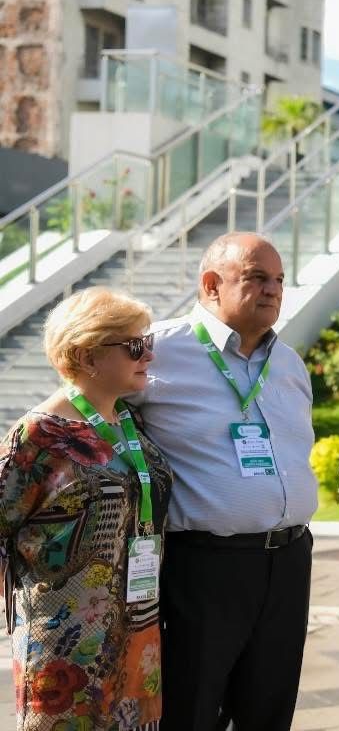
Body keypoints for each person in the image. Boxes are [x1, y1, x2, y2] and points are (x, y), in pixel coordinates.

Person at [127, 232, 317, 731]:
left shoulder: (289, 363)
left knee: (269, 709)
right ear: (211, 284)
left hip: (289, 560)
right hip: (204, 566)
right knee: (191, 709)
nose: (273, 289)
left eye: (279, 279)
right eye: (256, 277)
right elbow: (87, 407)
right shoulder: (156, 351)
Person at [0, 287, 173, 729]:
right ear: (87, 355)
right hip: (65, 644)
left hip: (138, 629)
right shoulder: (40, 436)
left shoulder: (129, 422)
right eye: (135, 345)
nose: (149, 356)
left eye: (148, 342)